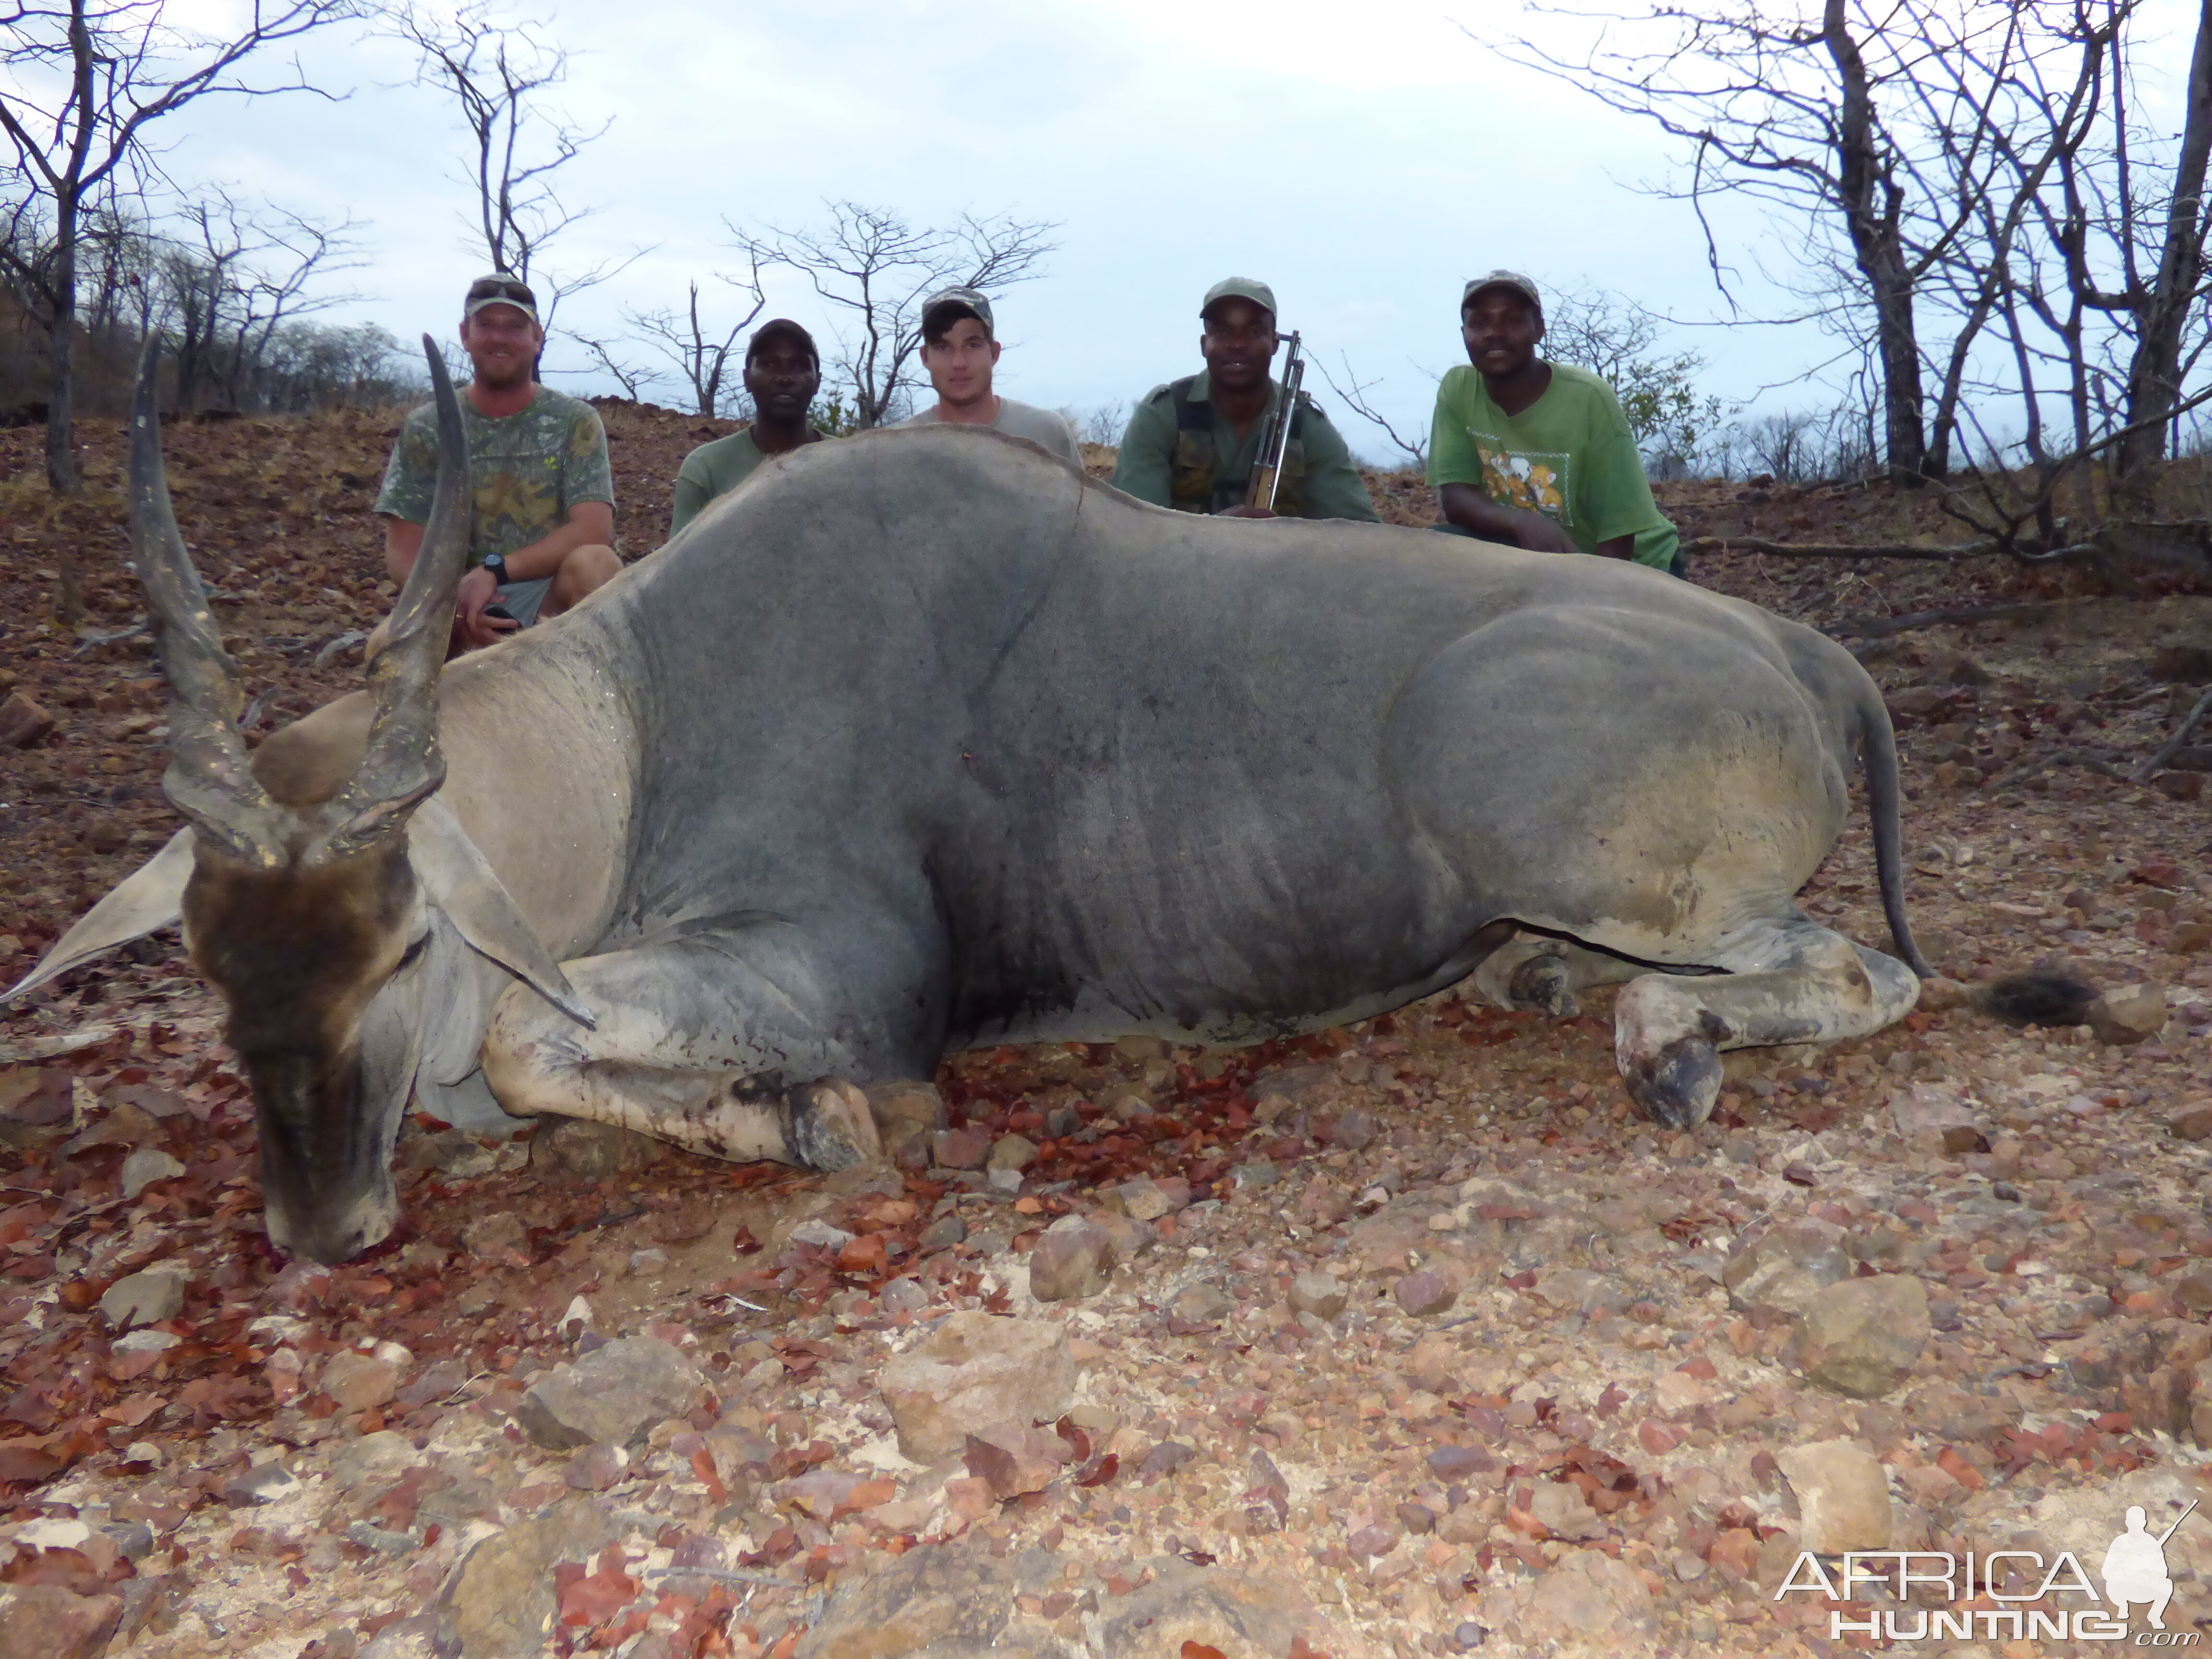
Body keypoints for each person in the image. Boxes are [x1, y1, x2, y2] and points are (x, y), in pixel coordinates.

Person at [373, 272, 620, 656]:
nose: (499, 338)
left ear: (537, 338)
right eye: (486, 325)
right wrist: (455, 605)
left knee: (597, 565)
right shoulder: (427, 425)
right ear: (465, 335)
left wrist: (493, 570)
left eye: (515, 327)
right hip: (452, 601)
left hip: (546, 597)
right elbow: (405, 551)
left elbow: (593, 529)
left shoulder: (576, 421)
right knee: (381, 649)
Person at [1427, 271, 1680, 572]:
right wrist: (1522, 522)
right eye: (1479, 323)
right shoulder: (1458, 388)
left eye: (1512, 321)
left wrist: (1594, 597)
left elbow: (1620, 532)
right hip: (1529, 549)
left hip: (1626, 560)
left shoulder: (1589, 397)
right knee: (1437, 546)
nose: (1494, 333)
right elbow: (1456, 499)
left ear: (1539, 330)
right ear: (1464, 333)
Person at [1112, 277, 1377, 522]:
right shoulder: (1164, 413)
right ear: (1205, 344)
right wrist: (1223, 532)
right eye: (1223, 333)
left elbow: (1362, 532)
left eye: (1253, 332)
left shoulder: (1304, 423)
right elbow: (1133, 527)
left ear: (1275, 343)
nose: (1237, 344)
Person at [669, 319, 828, 536]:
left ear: (817, 381)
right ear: (747, 379)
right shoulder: (705, 469)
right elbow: (680, 566)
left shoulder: (851, 463)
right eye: (768, 364)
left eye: (800, 365)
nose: (784, 378)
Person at [894, 287, 1082, 463]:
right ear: (925, 357)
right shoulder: (896, 447)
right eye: (943, 348)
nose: (959, 363)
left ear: (994, 353)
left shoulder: (1045, 432)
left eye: (973, 345)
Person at [2102, 1505, 2176, 1630]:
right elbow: (2107, 1570)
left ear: (2144, 1523)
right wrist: (2124, 1572)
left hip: (2144, 1588)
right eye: (2132, 1522)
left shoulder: (2151, 1543)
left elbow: (2163, 1571)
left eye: (2139, 1522)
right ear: (2127, 1523)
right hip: (2122, 1589)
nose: (2136, 1525)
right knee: (2111, 1584)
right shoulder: (2119, 1542)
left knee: (2167, 1585)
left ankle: (2155, 1616)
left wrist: (2148, 1572)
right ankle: (2123, 1607)